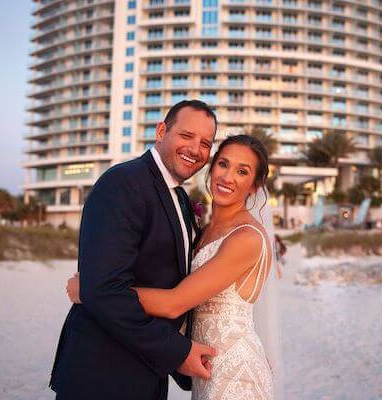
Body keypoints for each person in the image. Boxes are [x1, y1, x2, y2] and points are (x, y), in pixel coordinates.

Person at [68, 135, 277, 399]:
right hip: (207, 368)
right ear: (211, 168)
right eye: (223, 164)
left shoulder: (246, 238)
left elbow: (174, 302)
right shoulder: (204, 229)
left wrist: (93, 290)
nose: (227, 177)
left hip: (235, 371)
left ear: (255, 186)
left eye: (242, 171)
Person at [50, 100, 218, 400]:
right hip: (103, 375)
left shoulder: (178, 197)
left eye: (206, 143)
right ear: (161, 131)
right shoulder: (124, 183)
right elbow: (105, 291)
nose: (196, 149)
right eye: (186, 136)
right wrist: (177, 352)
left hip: (145, 374)